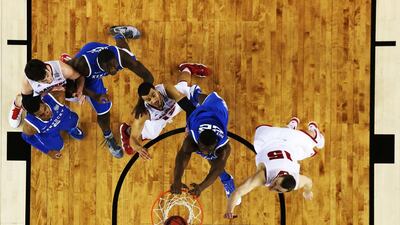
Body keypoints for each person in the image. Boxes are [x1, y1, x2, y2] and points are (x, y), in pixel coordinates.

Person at [63, 25, 154, 158]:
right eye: (110, 68)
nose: (114, 70)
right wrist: (95, 95)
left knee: (126, 54)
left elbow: (149, 77)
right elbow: (70, 85)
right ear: (102, 66)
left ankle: (118, 34)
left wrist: (142, 101)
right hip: (84, 70)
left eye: (114, 65)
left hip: (109, 53)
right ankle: (109, 137)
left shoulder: (120, 58)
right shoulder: (83, 65)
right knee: (102, 108)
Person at [224, 117, 325, 219]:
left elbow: (308, 182)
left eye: (278, 189)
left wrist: (307, 192)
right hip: (272, 140)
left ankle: (291, 127)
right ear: (281, 175)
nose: (272, 187)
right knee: (316, 142)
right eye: (275, 184)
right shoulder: (264, 176)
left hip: (281, 140)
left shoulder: (297, 181)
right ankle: (314, 132)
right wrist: (229, 210)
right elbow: (238, 191)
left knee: (289, 136)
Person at [119, 63, 210, 157]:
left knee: (185, 89)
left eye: (153, 95)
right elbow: (133, 139)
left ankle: (187, 68)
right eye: (148, 100)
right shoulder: (144, 113)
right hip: (158, 119)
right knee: (151, 135)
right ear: (145, 101)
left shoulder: (166, 89)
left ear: (157, 90)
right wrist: (139, 148)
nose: (153, 100)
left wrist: (189, 126)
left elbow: (187, 107)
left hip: (173, 106)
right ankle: (127, 130)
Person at [168, 85, 235, 199]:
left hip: (217, 108)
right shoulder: (191, 138)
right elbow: (181, 156)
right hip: (200, 116)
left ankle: (227, 179)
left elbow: (217, 168)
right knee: (192, 108)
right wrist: (177, 179)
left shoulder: (224, 147)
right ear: (197, 141)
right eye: (203, 149)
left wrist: (201, 187)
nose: (205, 153)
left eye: (209, 149)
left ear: (216, 143)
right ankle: (195, 93)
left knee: (213, 159)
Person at [8, 58, 85, 128]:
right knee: (28, 105)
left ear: (46, 67)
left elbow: (80, 76)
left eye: (47, 75)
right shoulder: (27, 83)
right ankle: (17, 102)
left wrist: (79, 91)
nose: (49, 80)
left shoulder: (64, 70)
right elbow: (27, 99)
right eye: (44, 81)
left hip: (60, 86)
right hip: (41, 94)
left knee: (75, 96)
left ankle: (68, 62)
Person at [21, 93, 84, 159]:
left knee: (73, 120)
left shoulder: (56, 97)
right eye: (42, 115)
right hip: (48, 131)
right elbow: (26, 137)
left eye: (45, 109)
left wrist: (80, 94)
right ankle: (38, 134)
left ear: (43, 101)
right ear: (34, 116)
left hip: (61, 119)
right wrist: (48, 152)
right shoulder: (30, 126)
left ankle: (71, 129)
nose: (47, 114)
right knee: (57, 147)